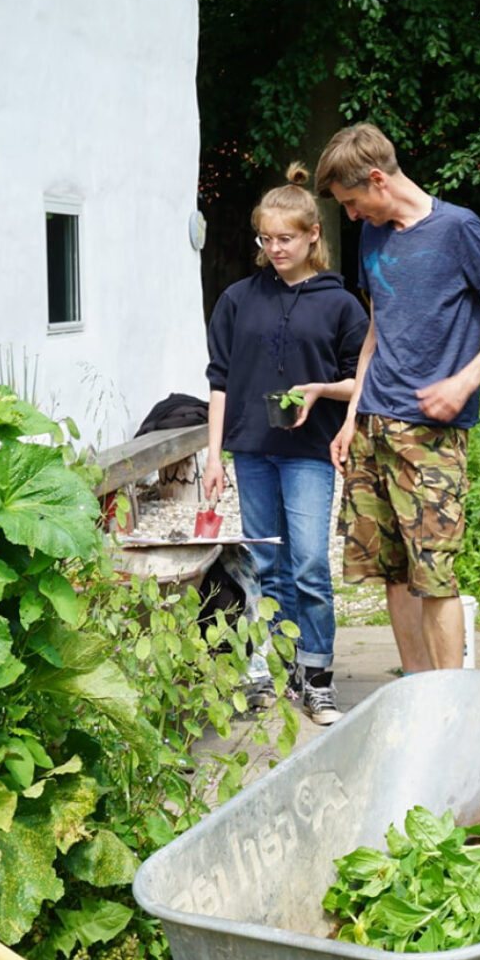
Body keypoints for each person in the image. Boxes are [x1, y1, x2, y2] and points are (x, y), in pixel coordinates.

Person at [317, 123, 480, 672]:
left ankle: (451, 703)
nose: (352, 215)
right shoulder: (373, 234)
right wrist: (351, 416)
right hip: (372, 427)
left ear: (377, 179)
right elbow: (375, 330)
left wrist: (465, 380)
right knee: (391, 572)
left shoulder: (458, 229)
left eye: (352, 201)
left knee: (434, 575)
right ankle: (417, 692)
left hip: (431, 436)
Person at [204, 165, 369, 725]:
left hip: (309, 453)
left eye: (286, 239)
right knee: (262, 562)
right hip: (250, 450)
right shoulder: (236, 299)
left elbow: (360, 380)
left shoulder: (341, 303)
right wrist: (213, 456)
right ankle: (268, 673)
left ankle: (317, 677)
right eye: (266, 239)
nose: (275, 249)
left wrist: (320, 390)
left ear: (312, 236)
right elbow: (219, 379)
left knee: (310, 566)